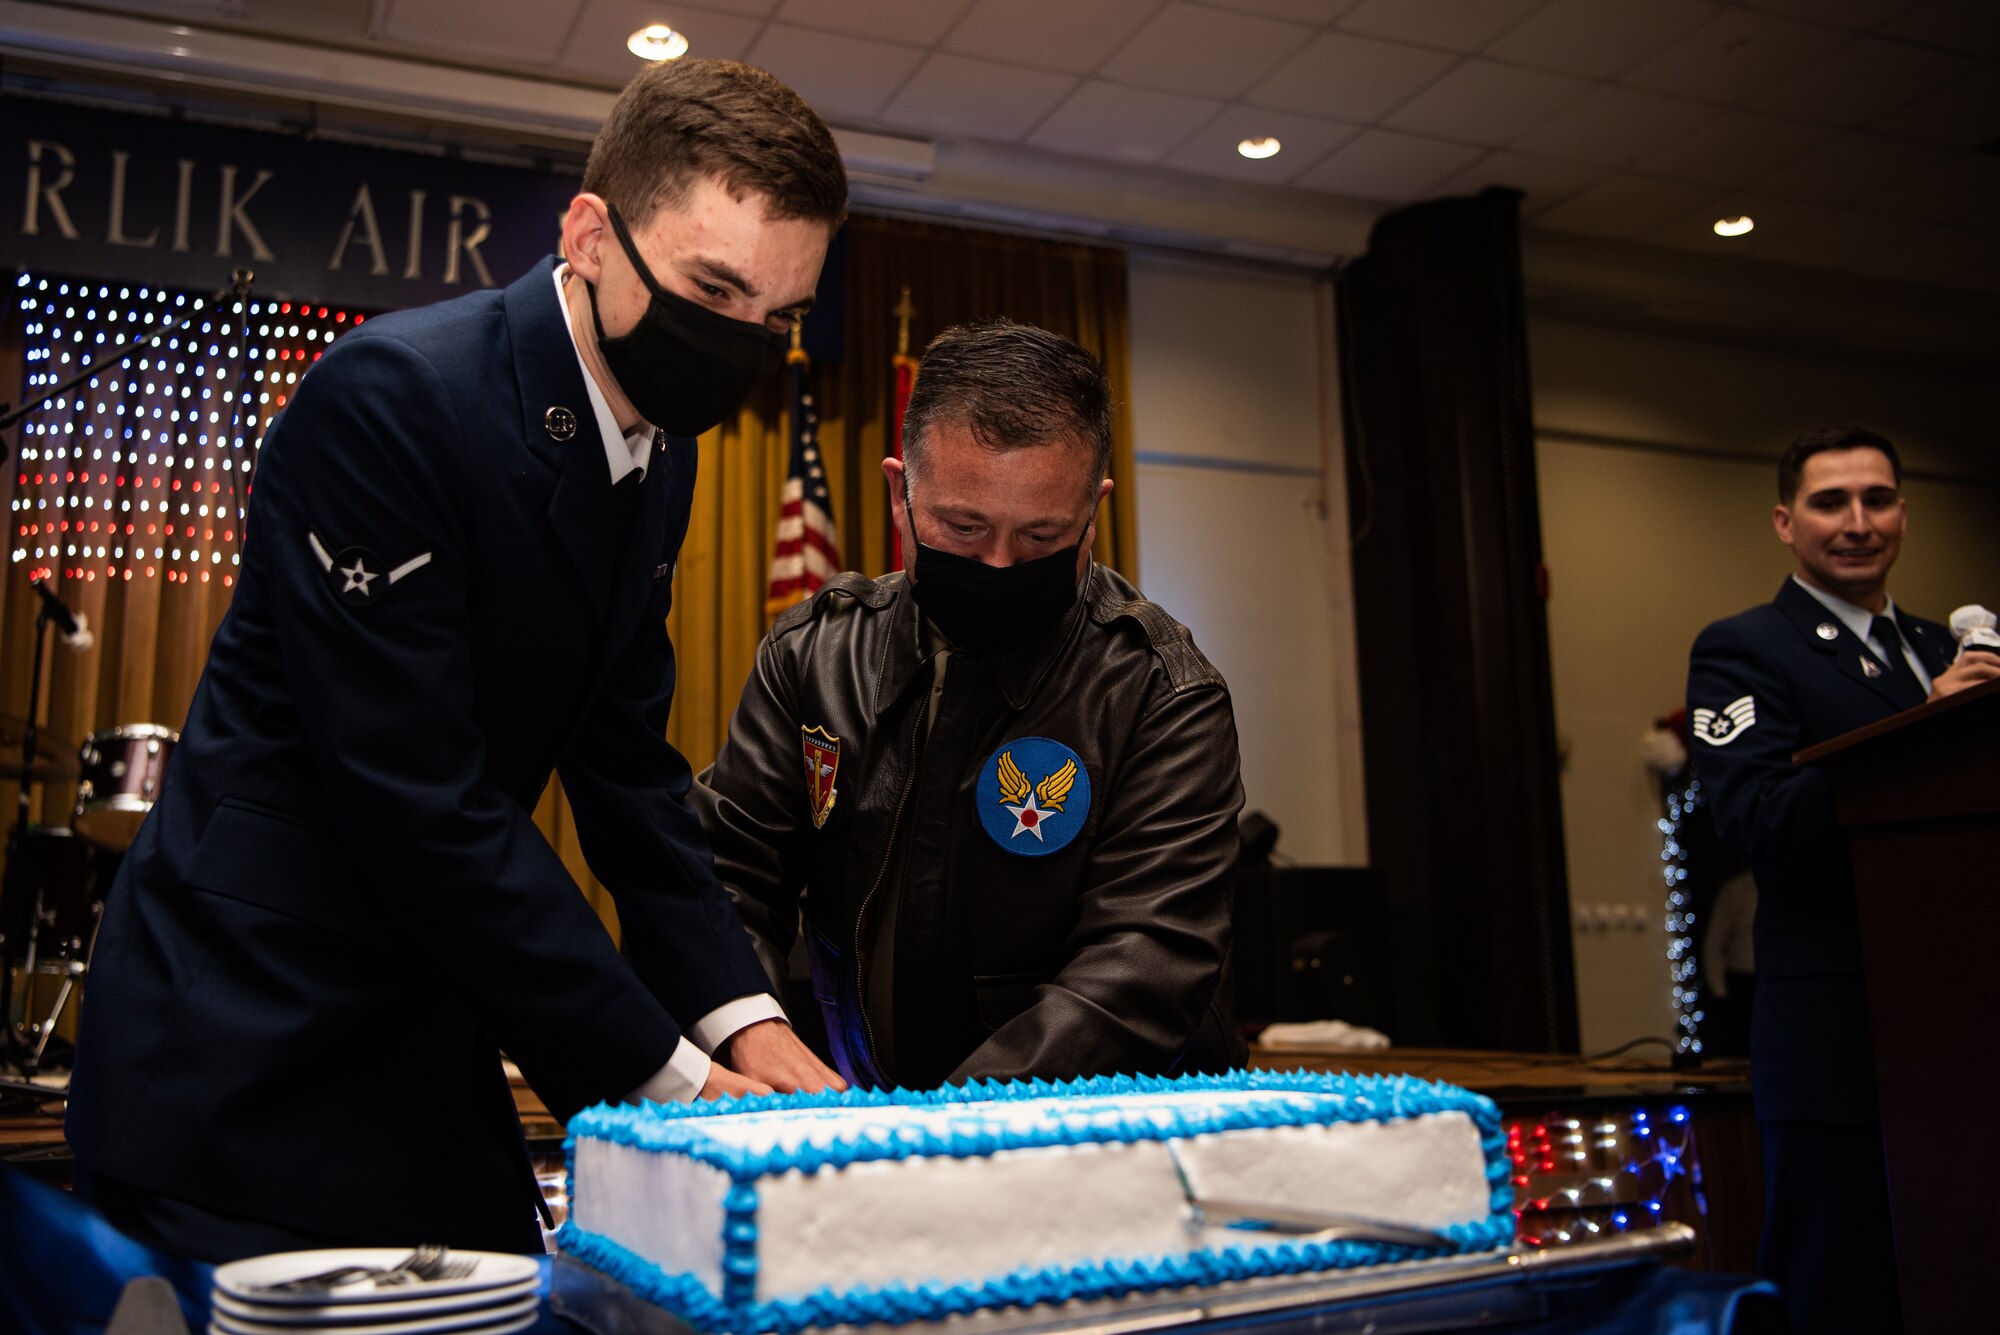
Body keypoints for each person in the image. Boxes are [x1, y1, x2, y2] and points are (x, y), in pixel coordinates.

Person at [66, 58, 849, 1262]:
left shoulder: (662, 445)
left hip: (432, 1019)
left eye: (778, 321)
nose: (737, 347)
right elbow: (416, 797)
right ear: (589, 235)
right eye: (711, 291)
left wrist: (742, 1017)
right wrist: (669, 1076)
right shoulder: (393, 397)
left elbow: (627, 767)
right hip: (248, 1031)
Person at [694, 319, 1246, 1091]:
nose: (997, 563)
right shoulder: (814, 654)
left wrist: (943, 1133)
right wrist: (747, 1025)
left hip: (1093, 1147)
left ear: (1095, 513)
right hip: (846, 1124)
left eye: (1040, 537)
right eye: (963, 526)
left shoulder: (1162, 693)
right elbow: (725, 875)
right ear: (901, 493)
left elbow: (1144, 962)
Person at [1686, 426, 2000, 1333]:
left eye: (1878, 499)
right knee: (1843, 1293)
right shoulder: (1746, 648)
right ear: (1787, 522)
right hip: (1841, 1043)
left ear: (1903, 512)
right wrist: (1924, 729)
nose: (1857, 522)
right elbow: (1759, 819)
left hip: (1963, 1042)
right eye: (1831, 502)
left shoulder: (1947, 646)